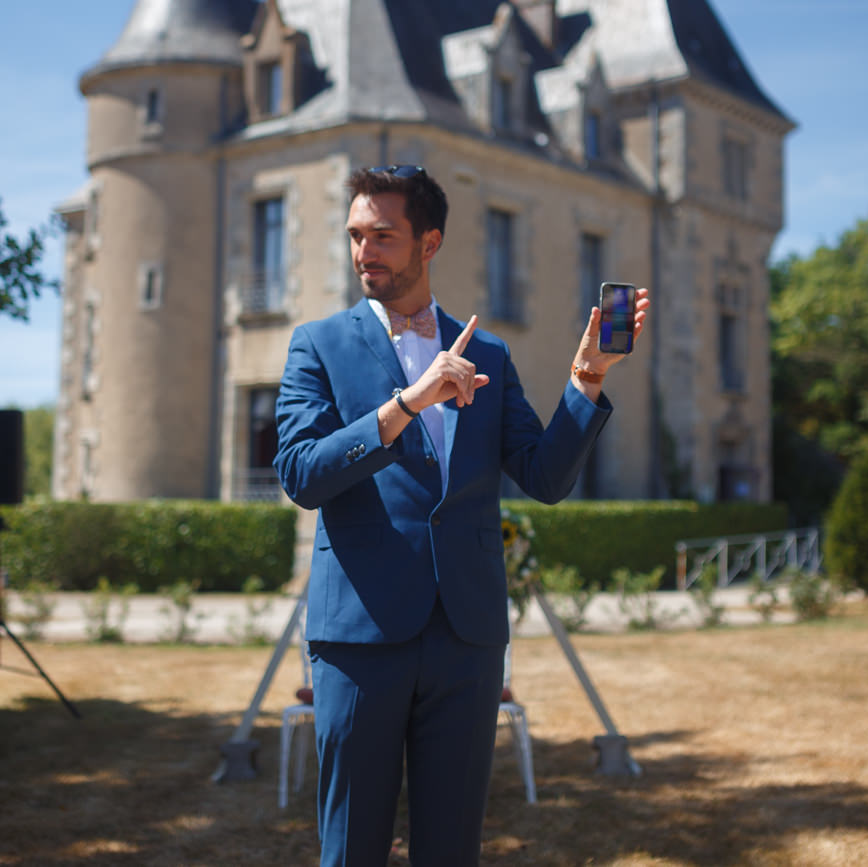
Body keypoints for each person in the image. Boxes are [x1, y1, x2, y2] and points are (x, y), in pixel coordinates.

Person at [273, 164, 649, 866]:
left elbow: (543, 475)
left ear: (430, 242)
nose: (364, 251)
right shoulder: (315, 345)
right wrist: (406, 403)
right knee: (352, 847)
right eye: (356, 235)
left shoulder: (492, 355)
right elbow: (300, 473)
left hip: (467, 638)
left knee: (452, 850)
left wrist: (586, 381)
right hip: (360, 638)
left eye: (383, 235)